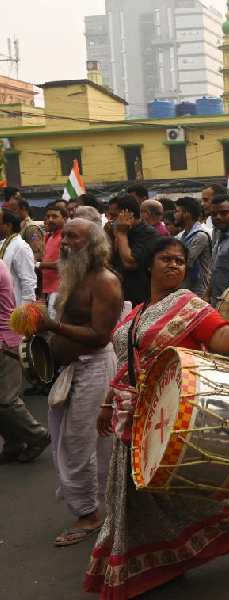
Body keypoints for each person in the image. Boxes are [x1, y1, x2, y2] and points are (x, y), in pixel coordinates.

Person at [84, 237, 229, 597]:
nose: (174, 265)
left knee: (196, 488)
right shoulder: (137, 312)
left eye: (180, 261)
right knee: (141, 496)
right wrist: (108, 403)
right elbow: (128, 363)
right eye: (166, 259)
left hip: (172, 415)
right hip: (132, 415)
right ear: (149, 265)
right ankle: (163, 563)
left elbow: (222, 339)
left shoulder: (189, 305)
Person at [30, 219, 122, 546]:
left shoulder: (105, 282)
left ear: (93, 244)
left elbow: (99, 336)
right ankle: (95, 505)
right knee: (69, 440)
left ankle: (91, 514)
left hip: (96, 368)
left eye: (73, 237)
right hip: (72, 370)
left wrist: (52, 325)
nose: (65, 242)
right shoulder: (74, 276)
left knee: (82, 443)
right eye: (64, 236)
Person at [0, 259, 50, 463]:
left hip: (4, 342)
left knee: (6, 401)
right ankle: (14, 443)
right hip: (6, 339)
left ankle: (38, 435)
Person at [109, 194, 160, 306]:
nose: (111, 220)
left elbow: (129, 263)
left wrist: (121, 234)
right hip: (120, 294)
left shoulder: (148, 233)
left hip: (140, 298)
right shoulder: (118, 230)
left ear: (128, 215)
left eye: (114, 216)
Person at [174, 196, 212, 296]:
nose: (175, 215)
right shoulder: (182, 235)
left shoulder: (200, 235)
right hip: (186, 288)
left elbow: (186, 262)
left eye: (177, 211)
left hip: (198, 291)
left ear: (187, 214)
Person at [0, 208, 37, 303]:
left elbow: (28, 281)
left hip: (16, 305)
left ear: (8, 226)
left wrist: (25, 310)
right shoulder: (3, 243)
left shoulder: (21, 247)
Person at [3, 194, 44, 263]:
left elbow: (37, 252)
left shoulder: (32, 228)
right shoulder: (19, 226)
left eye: (13, 210)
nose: (11, 213)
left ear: (23, 208)